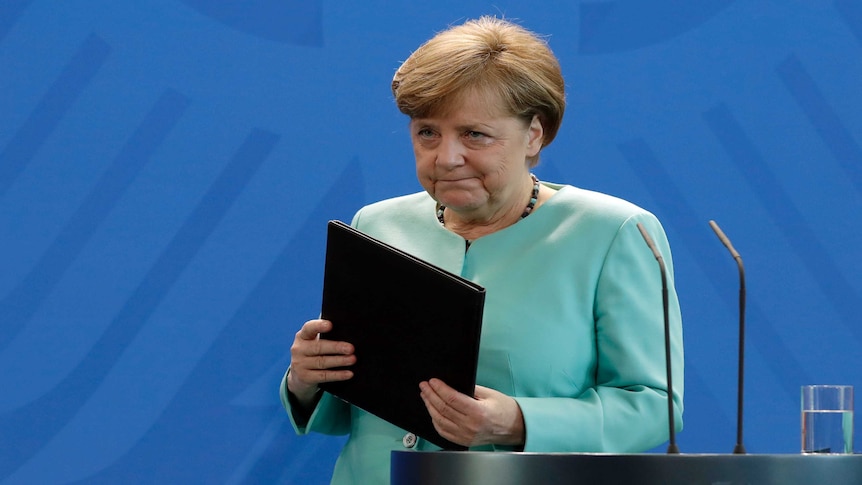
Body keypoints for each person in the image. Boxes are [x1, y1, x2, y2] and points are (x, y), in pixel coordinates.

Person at [280, 16, 683, 484]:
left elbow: (655, 403)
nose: (446, 157)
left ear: (535, 133)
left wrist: (514, 421)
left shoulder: (614, 232)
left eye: (474, 134)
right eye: (427, 132)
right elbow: (356, 404)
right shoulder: (377, 223)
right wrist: (307, 379)